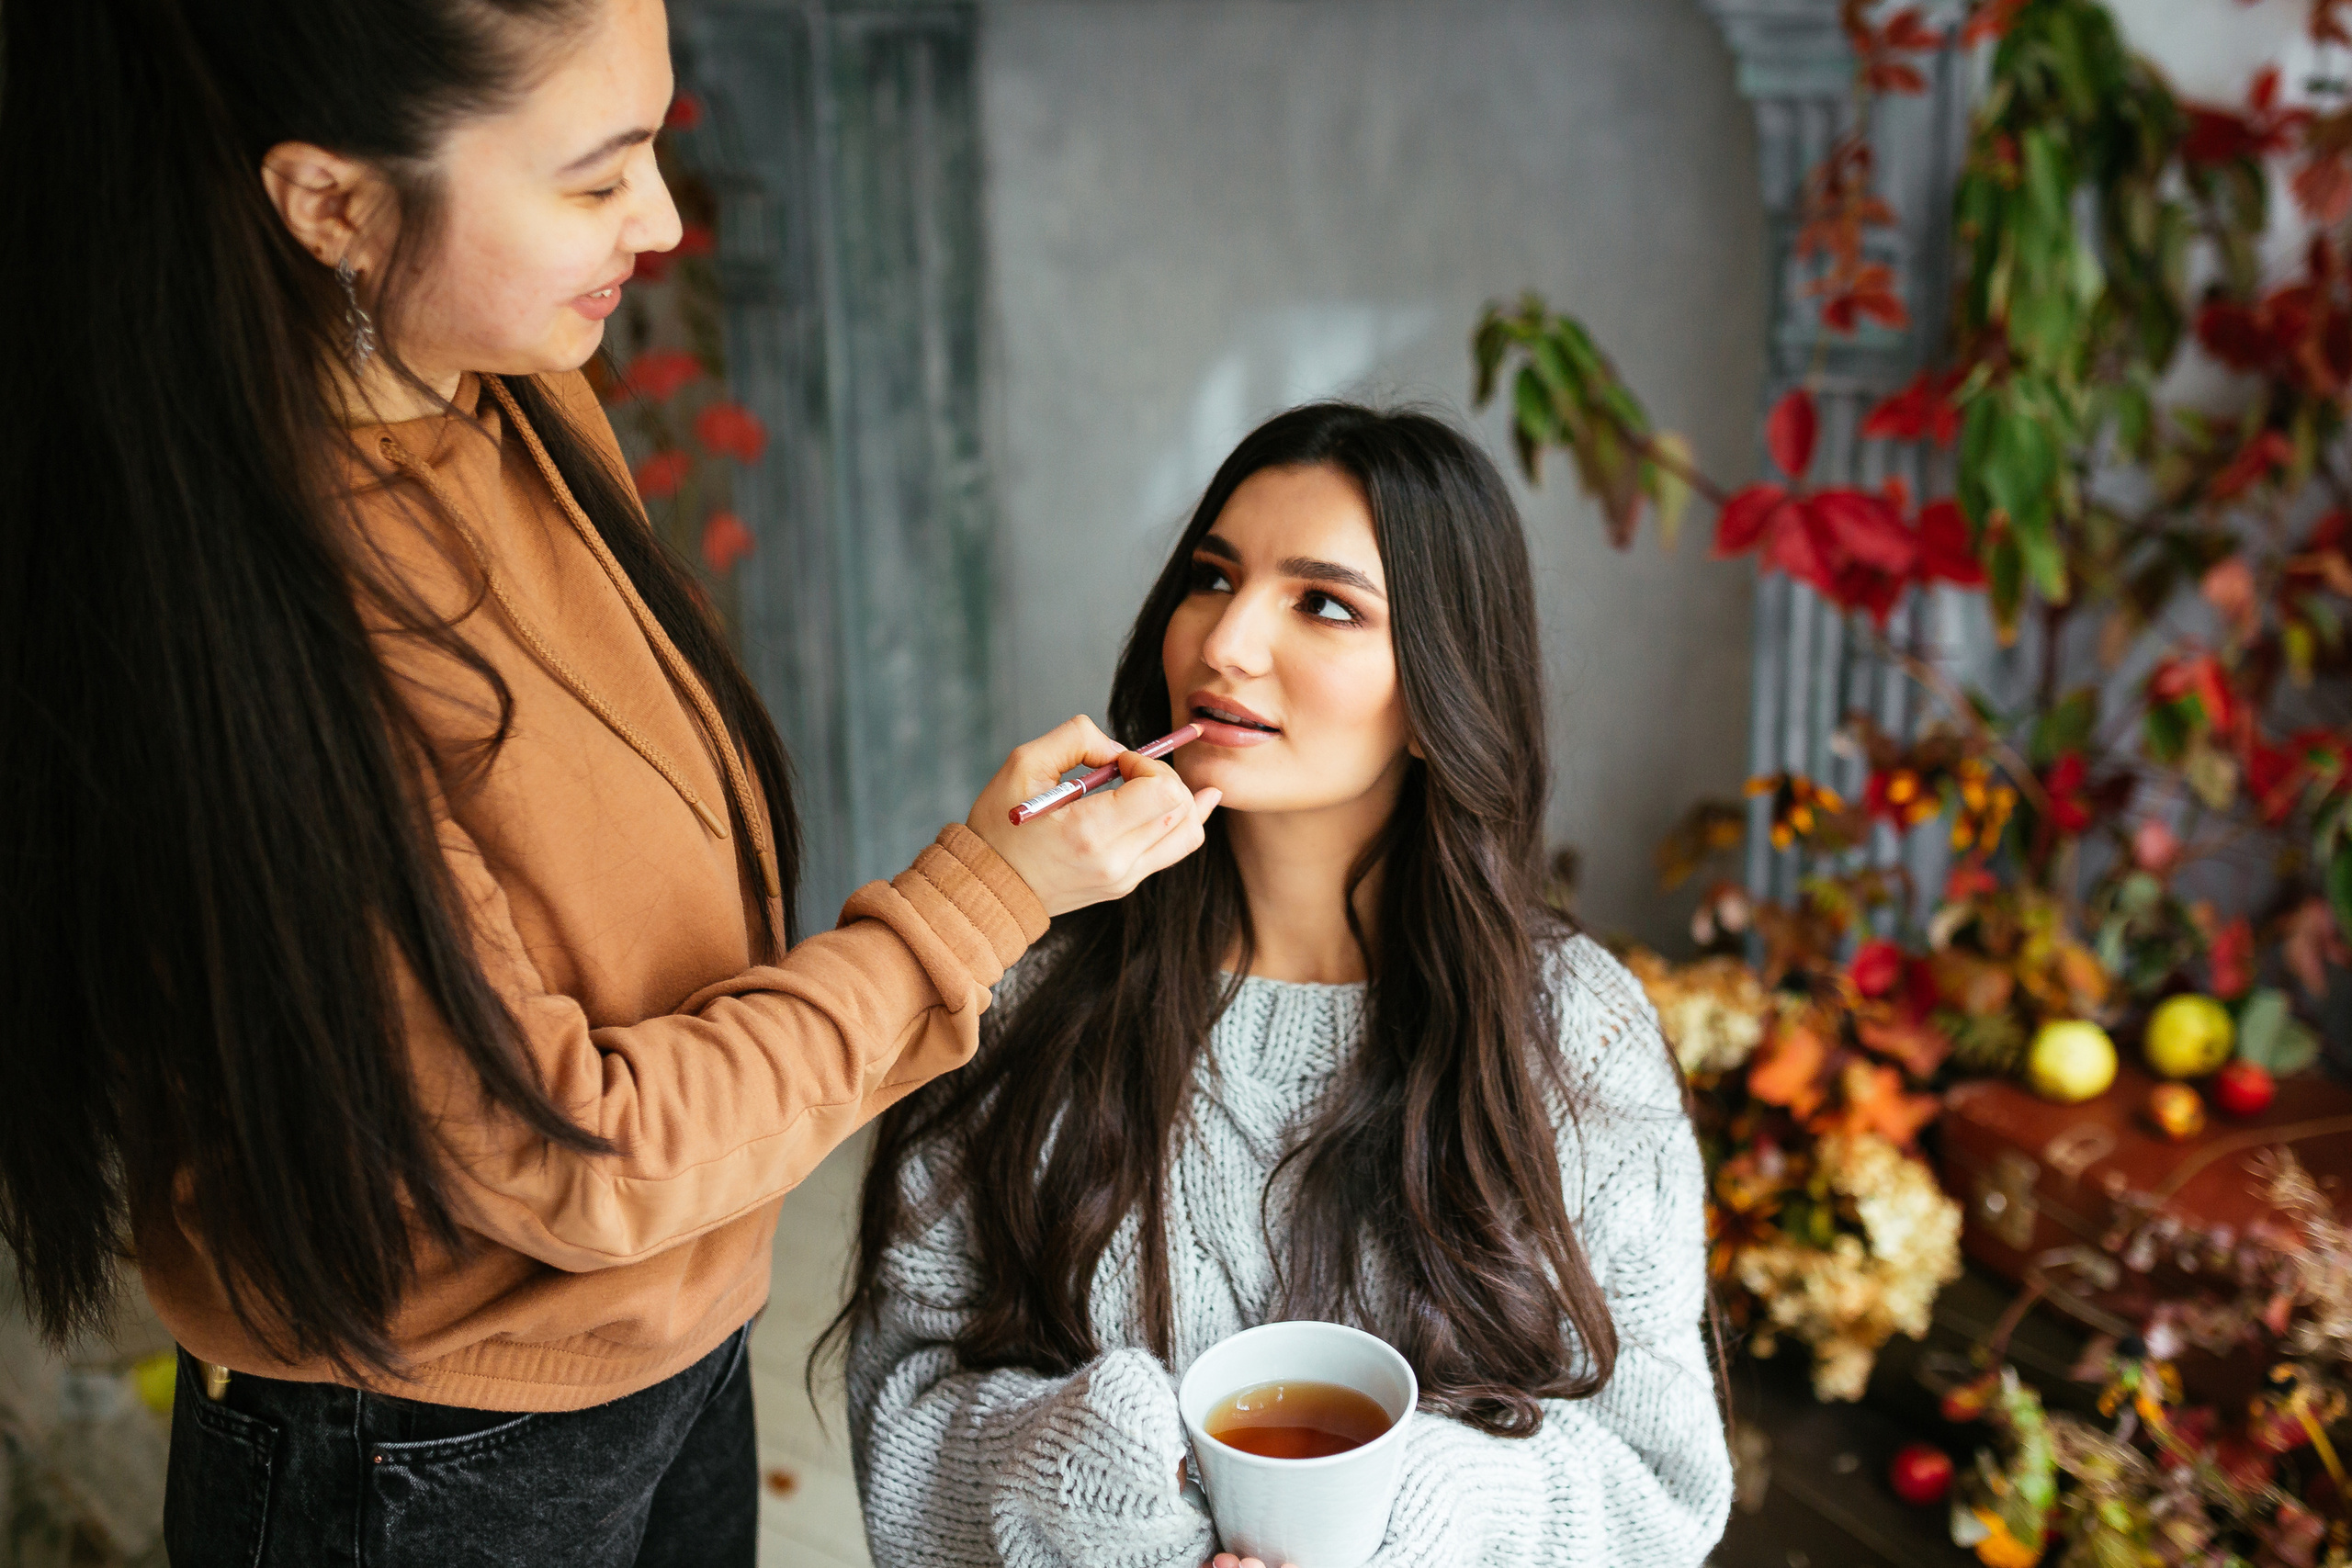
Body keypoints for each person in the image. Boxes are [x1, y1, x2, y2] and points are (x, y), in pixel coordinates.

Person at [0, 2, 1218, 1562]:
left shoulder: (507, 389)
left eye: (655, 144)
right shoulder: (249, 634)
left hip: (665, 1354)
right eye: (597, 178)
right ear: (332, 205)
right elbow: (577, 1151)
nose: (657, 222)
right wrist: (985, 900)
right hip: (420, 1459)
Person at [840, 403, 1736, 1568]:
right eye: (1211, 579)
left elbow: (1662, 1491)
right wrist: (1085, 1476)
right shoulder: (1022, 998)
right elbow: (898, 1409)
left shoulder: (1574, 1031)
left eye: (1322, 602)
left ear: (1438, 692)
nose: (1222, 644)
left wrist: (1425, 1518)